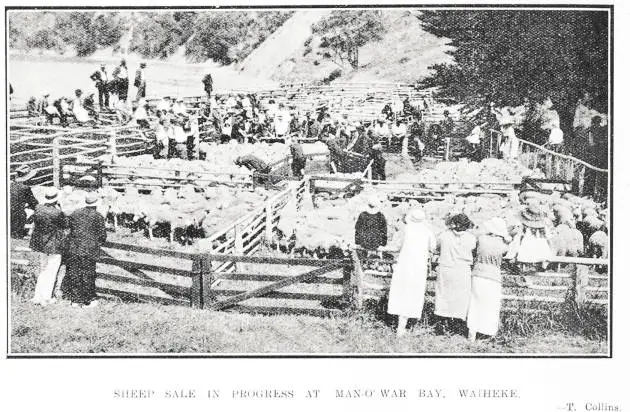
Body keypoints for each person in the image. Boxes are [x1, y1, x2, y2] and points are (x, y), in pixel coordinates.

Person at [387, 208, 436, 336]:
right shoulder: (428, 232)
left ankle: (400, 325)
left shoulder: (405, 230)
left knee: (402, 291)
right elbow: (433, 248)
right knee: (414, 292)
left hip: (405, 264)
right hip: (419, 267)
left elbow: (396, 246)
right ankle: (408, 323)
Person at [466, 217, 510, 342]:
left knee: (475, 302)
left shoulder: (481, 239)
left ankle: (472, 332)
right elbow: (510, 253)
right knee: (490, 305)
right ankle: (486, 333)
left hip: (478, 273)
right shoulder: (503, 245)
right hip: (494, 276)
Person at [61, 192, 107, 307]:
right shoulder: (98, 216)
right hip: (89, 250)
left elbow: (68, 227)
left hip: (74, 248)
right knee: (88, 274)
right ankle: (88, 299)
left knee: (74, 273)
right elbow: (102, 236)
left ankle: (75, 300)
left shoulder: (75, 213)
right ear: (96, 204)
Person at [434, 213, 477, 335]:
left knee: (443, 295)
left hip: (446, 267)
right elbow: (473, 250)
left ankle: (442, 324)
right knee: (460, 297)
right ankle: (456, 325)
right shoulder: (471, 238)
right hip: (462, 269)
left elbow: (437, 247)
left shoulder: (444, 235)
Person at [29, 187, 66, 305]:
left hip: (41, 244)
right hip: (54, 244)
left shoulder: (38, 208)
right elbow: (64, 225)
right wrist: (60, 208)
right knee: (51, 270)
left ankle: (37, 295)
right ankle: (46, 297)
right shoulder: (58, 212)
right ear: (56, 199)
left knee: (43, 269)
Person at [10, 165, 38, 239]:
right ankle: (18, 234)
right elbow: (33, 203)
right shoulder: (25, 188)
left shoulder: (11, 185)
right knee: (22, 215)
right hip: (17, 214)